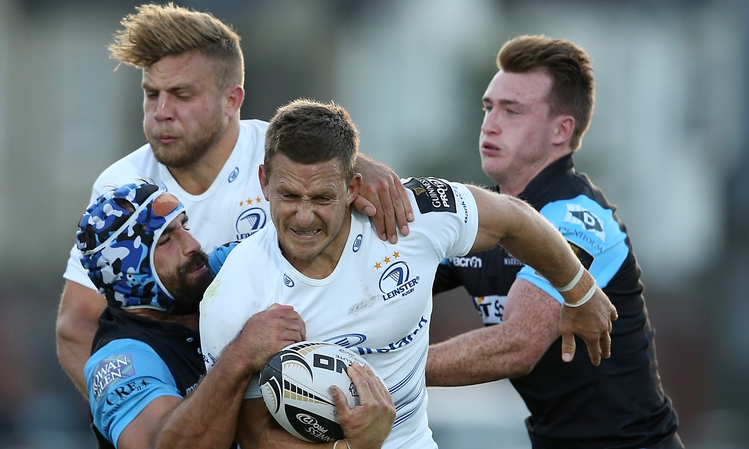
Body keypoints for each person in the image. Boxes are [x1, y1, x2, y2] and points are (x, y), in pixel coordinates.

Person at [198, 99, 617, 449]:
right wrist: (354, 447)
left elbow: (515, 219)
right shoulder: (235, 295)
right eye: (288, 195)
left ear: (353, 187)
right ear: (264, 182)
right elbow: (256, 436)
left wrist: (579, 290)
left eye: (323, 198)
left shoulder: (410, 216)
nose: (304, 216)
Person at [56, 2, 413, 397]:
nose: (161, 112)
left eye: (181, 95)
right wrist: (137, 415)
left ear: (232, 100)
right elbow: (76, 326)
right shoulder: (122, 186)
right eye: (151, 93)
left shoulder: (289, 162)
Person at [426, 35, 683, 449]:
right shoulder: (476, 218)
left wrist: (385, 370)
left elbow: (517, 346)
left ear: (561, 130)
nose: (490, 123)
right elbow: (389, 281)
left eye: (512, 111)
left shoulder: (581, 220)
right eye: (489, 107)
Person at [76, 181, 392, 449]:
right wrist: (240, 356)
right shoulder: (118, 360)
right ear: (130, 274)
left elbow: (307, 239)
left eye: (183, 226)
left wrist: (355, 193)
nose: (193, 244)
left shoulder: (211, 272)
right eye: (167, 240)